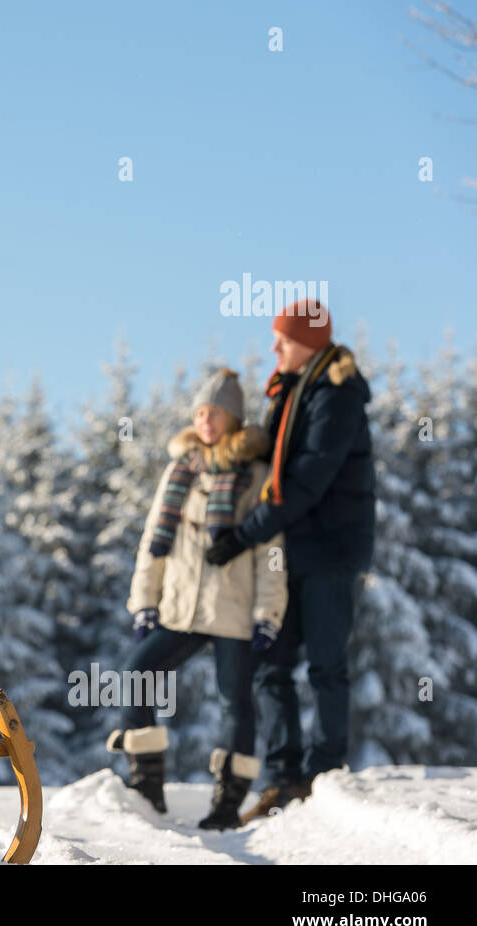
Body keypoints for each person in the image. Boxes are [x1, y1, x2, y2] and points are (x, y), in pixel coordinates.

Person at [204, 299, 373, 822]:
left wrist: (242, 534)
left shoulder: (337, 397)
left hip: (330, 552)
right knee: (271, 666)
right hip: (287, 553)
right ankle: (282, 778)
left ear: (310, 341)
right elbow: (267, 467)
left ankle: (323, 775)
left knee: (325, 666)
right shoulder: (288, 391)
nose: (274, 348)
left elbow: (304, 483)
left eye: (284, 338)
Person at [107, 368, 287, 829]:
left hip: (233, 611)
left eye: (216, 412)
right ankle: (147, 785)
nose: (206, 420)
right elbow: (155, 539)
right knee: (136, 674)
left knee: (235, 702)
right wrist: (144, 602)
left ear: (234, 418)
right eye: (201, 412)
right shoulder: (181, 469)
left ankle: (227, 806)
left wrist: (268, 614)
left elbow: (271, 552)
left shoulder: (256, 474)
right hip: (180, 608)